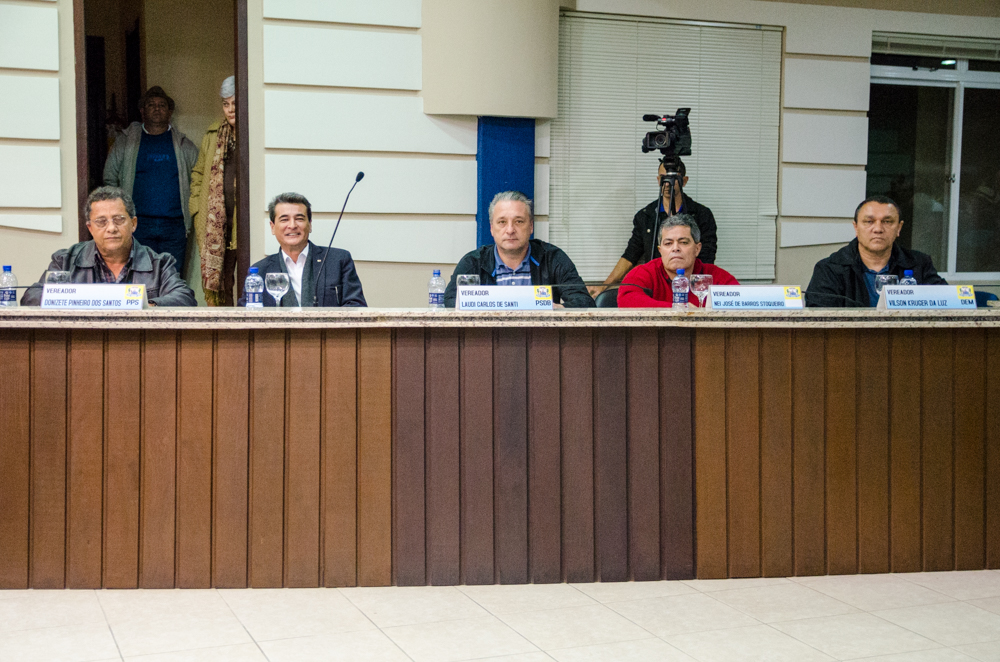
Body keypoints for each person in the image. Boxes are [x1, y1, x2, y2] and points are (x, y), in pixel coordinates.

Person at [21, 186, 196, 307]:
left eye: (119, 220)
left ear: (133, 224)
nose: (111, 228)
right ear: (90, 228)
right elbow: (31, 297)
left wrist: (143, 306)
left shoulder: (160, 264)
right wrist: (79, 301)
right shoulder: (65, 261)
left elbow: (185, 298)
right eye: (101, 222)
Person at [103, 86, 199, 273]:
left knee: (171, 278)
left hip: (175, 226)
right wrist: (118, 214)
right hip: (137, 225)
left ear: (170, 112)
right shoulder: (126, 143)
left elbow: (199, 180)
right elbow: (110, 178)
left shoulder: (184, 145)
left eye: (162, 105)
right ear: (142, 111)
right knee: (139, 276)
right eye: (151, 105)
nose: (157, 108)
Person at [591, 156, 718, 296]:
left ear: (684, 180)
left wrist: (696, 294)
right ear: (658, 180)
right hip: (656, 288)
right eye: (663, 178)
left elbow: (707, 258)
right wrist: (604, 286)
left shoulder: (702, 214)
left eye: (673, 178)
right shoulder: (646, 216)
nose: (667, 184)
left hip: (689, 289)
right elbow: (631, 255)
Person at [444, 190, 594, 308]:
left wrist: (558, 309)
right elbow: (451, 302)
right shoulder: (473, 262)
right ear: (491, 228)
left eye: (519, 221)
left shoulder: (552, 258)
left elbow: (584, 301)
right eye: (502, 222)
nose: (510, 230)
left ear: (531, 226)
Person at [806, 195, 947, 308]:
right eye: (869, 222)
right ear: (856, 227)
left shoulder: (919, 265)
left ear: (899, 228)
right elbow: (819, 321)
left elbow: (947, 303)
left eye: (887, 222)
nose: (878, 229)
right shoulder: (829, 269)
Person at [239, 192, 367, 307]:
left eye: (299, 219)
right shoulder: (260, 271)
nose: (292, 225)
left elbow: (356, 306)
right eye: (284, 219)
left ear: (310, 224)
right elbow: (244, 314)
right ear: (272, 227)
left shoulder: (338, 260)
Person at [190, 76, 240, 306]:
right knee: (222, 283)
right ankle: (224, 324)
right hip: (216, 225)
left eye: (235, 103)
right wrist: (196, 210)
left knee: (250, 279)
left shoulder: (253, 134)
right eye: (226, 104)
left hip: (243, 223)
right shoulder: (213, 135)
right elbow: (199, 173)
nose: (230, 110)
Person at [617, 214, 737, 308]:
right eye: (668, 243)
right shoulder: (644, 273)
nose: (675, 248)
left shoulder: (714, 275)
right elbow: (626, 300)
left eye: (683, 242)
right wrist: (677, 309)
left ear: (697, 249)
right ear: (660, 250)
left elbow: (741, 301)